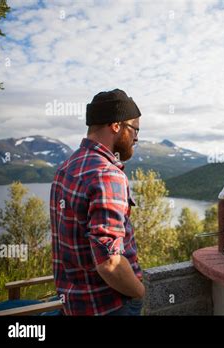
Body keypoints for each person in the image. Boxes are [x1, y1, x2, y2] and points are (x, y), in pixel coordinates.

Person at [50, 89, 145, 315]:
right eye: (135, 129)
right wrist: (138, 292)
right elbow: (109, 263)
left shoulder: (65, 168)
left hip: (74, 305)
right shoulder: (107, 174)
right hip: (110, 306)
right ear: (116, 126)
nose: (137, 137)